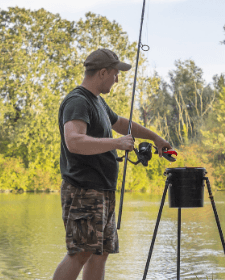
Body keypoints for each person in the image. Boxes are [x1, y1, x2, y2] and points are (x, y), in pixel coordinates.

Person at [53, 49, 172, 280]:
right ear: (103, 72)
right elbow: (74, 141)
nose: (117, 79)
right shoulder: (77, 101)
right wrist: (116, 143)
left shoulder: (97, 102)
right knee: (80, 252)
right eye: (116, 74)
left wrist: (154, 137)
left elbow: (121, 123)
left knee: (100, 252)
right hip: (83, 190)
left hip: (102, 190)